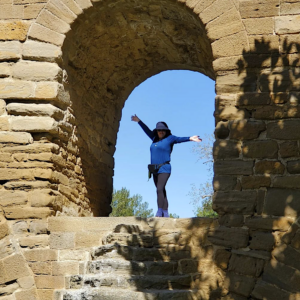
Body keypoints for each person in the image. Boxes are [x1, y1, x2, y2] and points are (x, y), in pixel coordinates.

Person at [131, 114, 202, 218]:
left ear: (166, 131)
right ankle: (166, 212)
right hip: (154, 169)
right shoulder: (154, 138)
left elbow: (179, 139)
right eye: (159, 130)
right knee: (162, 190)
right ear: (156, 131)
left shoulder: (170, 139)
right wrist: (139, 121)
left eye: (163, 130)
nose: (161, 132)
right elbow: (146, 130)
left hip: (165, 168)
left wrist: (190, 138)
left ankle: (159, 212)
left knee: (159, 188)